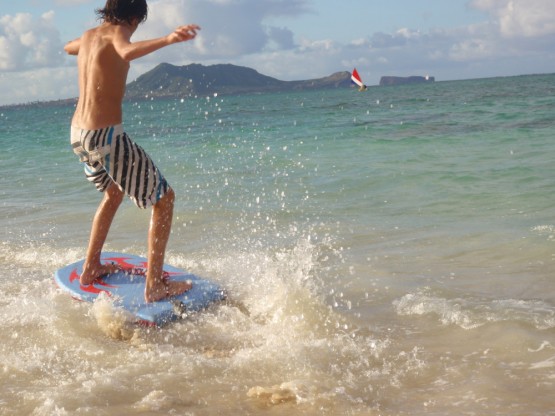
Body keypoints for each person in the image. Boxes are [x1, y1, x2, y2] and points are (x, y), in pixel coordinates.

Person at [64, 0, 200, 302]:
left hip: (78, 135)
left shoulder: (89, 36)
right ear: (135, 18)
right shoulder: (119, 35)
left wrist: (87, 47)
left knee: (113, 193)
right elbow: (125, 50)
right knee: (164, 200)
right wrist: (168, 39)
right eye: (137, 24)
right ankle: (154, 286)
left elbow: (68, 47)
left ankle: (91, 267)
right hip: (105, 136)